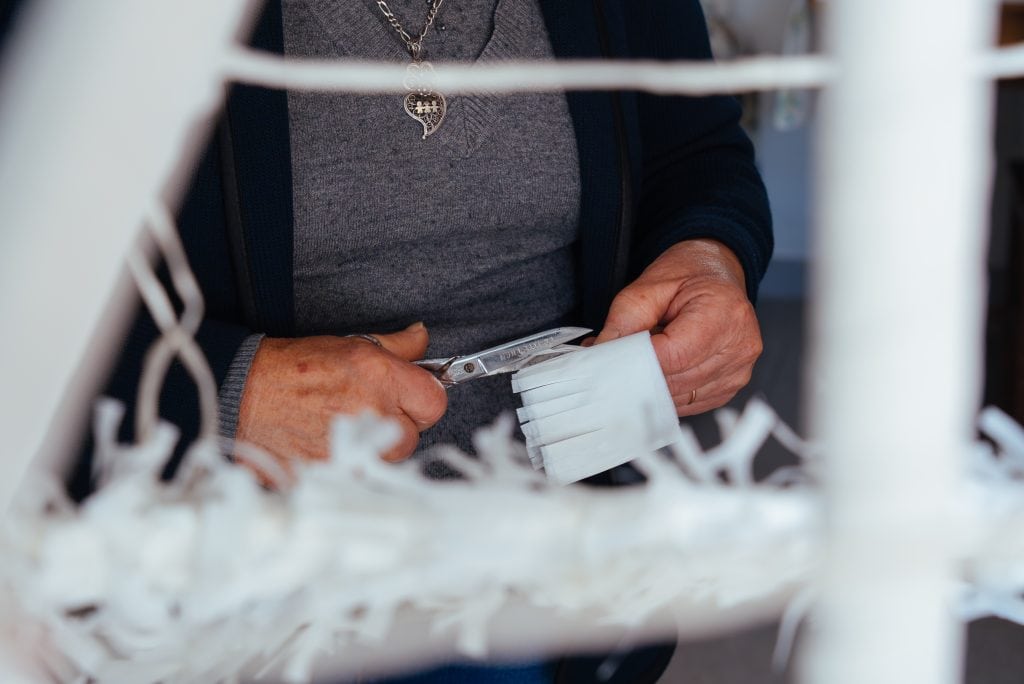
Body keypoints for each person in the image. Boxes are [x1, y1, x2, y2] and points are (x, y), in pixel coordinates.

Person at [82, 0, 773, 681]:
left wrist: (713, 255)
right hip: (237, 592)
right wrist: (225, 390)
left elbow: (695, 150)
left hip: (555, 575)